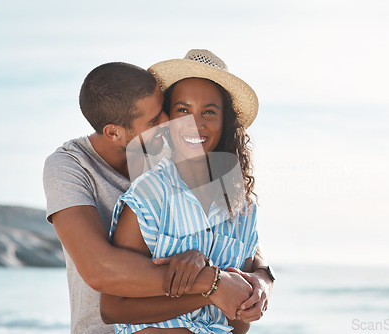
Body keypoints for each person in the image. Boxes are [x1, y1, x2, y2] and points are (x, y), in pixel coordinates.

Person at [43, 61, 274, 334]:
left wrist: (262, 279)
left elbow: (235, 239)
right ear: (114, 132)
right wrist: (212, 283)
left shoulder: (168, 153)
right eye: (154, 119)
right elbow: (99, 270)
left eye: (164, 111)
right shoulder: (70, 166)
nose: (167, 122)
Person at [100, 49, 265, 334]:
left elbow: (239, 320)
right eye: (183, 110)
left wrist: (244, 291)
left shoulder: (243, 208)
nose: (195, 123)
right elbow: (113, 308)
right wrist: (209, 286)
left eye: (209, 112)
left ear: (226, 121)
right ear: (168, 120)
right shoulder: (149, 194)